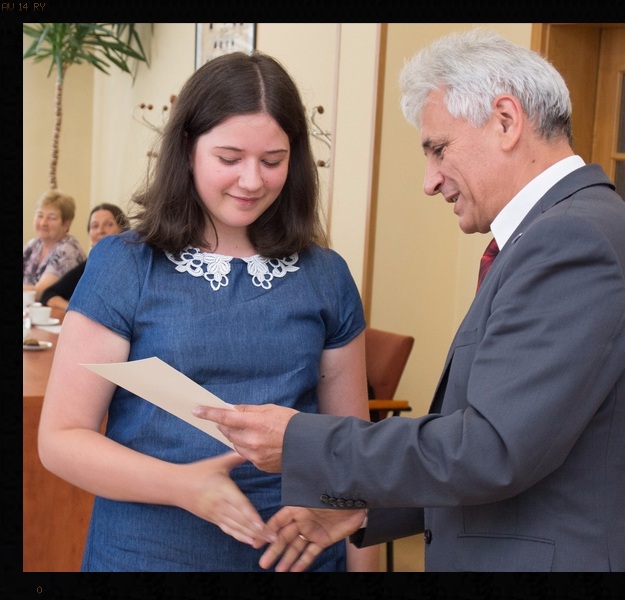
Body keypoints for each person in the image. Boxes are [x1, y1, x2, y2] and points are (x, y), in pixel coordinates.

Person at [192, 28, 625, 572]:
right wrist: (362, 510)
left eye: (438, 149)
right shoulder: (562, 232)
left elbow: (492, 451)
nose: (429, 180)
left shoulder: (573, 241)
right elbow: (518, 441)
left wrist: (299, 441)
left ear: (506, 121)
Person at [38, 51, 379, 572]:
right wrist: (183, 486)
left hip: (297, 553)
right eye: (229, 158)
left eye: (272, 161)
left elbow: (353, 459)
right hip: (151, 549)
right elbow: (61, 440)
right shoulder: (127, 264)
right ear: (187, 151)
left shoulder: (325, 275)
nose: (252, 181)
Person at [40, 203, 130, 309]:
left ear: (124, 230)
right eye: (95, 226)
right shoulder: (90, 264)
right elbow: (48, 295)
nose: (100, 231)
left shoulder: (132, 265)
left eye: (108, 224)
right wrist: (77, 310)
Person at [23, 189, 87, 299]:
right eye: (40, 215)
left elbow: (40, 293)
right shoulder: (34, 245)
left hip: (59, 313)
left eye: (51, 218)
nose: (43, 223)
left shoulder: (68, 250)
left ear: (66, 224)